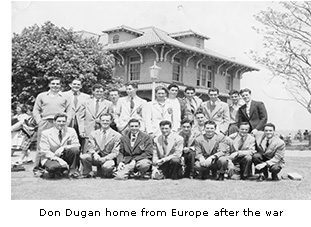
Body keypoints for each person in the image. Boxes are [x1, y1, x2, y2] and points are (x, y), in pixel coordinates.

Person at [33, 77, 72, 170]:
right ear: (49, 85)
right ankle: (38, 168)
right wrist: (39, 121)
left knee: (59, 144)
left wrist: (66, 123)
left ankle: (60, 166)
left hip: (60, 123)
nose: (55, 86)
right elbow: (36, 110)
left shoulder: (65, 97)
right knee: (41, 146)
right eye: (53, 84)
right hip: (46, 122)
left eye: (57, 84)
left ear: (60, 85)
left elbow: (70, 111)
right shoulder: (42, 96)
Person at [38, 113, 80, 178]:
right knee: (54, 167)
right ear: (54, 122)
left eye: (63, 121)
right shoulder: (46, 133)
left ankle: (72, 172)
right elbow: (44, 151)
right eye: (59, 121)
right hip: (51, 157)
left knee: (75, 150)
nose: (61, 123)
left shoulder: (71, 131)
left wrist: (63, 147)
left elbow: (77, 145)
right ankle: (56, 170)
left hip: (64, 155)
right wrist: (59, 160)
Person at [80, 113, 121, 178]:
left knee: (107, 167)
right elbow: (90, 148)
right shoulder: (93, 133)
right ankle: (88, 173)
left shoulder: (117, 135)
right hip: (96, 157)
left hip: (108, 159)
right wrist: (94, 154)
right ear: (100, 121)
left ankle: (107, 172)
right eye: (103, 120)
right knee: (84, 157)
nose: (105, 122)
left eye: (107, 121)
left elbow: (115, 152)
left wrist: (105, 158)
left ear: (111, 121)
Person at [79, 84, 112, 150]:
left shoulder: (108, 104)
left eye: (101, 92)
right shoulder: (85, 103)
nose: (99, 93)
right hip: (88, 130)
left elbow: (111, 118)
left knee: (101, 150)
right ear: (93, 92)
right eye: (97, 91)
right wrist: (81, 130)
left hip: (102, 130)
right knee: (86, 151)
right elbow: (81, 117)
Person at [63, 78, 90, 151]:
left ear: (81, 86)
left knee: (81, 143)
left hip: (81, 123)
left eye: (78, 84)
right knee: (67, 141)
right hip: (68, 122)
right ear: (70, 85)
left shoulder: (86, 97)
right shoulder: (63, 95)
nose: (76, 86)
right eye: (74, 84)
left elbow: (88, 111)